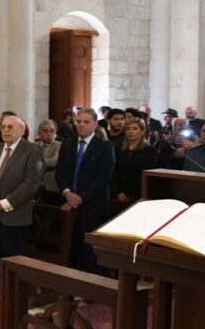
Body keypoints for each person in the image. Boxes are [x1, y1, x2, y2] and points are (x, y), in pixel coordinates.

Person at [0, 115, 43, 303]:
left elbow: (31, 185)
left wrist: (4, 204)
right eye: (3, 127)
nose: (6, 130)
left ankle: (14, 294)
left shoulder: (32, 151)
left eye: (10, 127)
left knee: (13, 256)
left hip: (15, 214)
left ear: (21, 129)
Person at [55, 107, 115, 272]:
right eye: (78, 121)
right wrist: (67, 192)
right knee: (72, 248)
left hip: (93, 205)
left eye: (86, 122)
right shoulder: (68, 144)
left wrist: (79, 197)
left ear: (95, 124)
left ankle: (92, 283)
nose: (81, 125)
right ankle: (72, 280)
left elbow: (103, 178)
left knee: (90, 252)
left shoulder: (105, 147)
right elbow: (60, 172)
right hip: (69, 201)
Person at [110, 117, 156, 202]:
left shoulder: (149, 151)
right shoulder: (118, 149)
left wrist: (132, 195)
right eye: (128, 129)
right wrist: (117, 192)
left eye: (134, 129)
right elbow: (114, 172)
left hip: (137, 195)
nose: (130, 131)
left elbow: (145, 176)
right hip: (118, 194)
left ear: (142, 131)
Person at [36, 119, 62, 194]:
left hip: (51, 186)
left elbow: (53, 161)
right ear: (39, 133)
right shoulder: (32, 145)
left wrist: (33, 162)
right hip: (33, 185)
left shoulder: (59, 145)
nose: (49, 134)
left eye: (52, 131)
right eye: (45, 131)